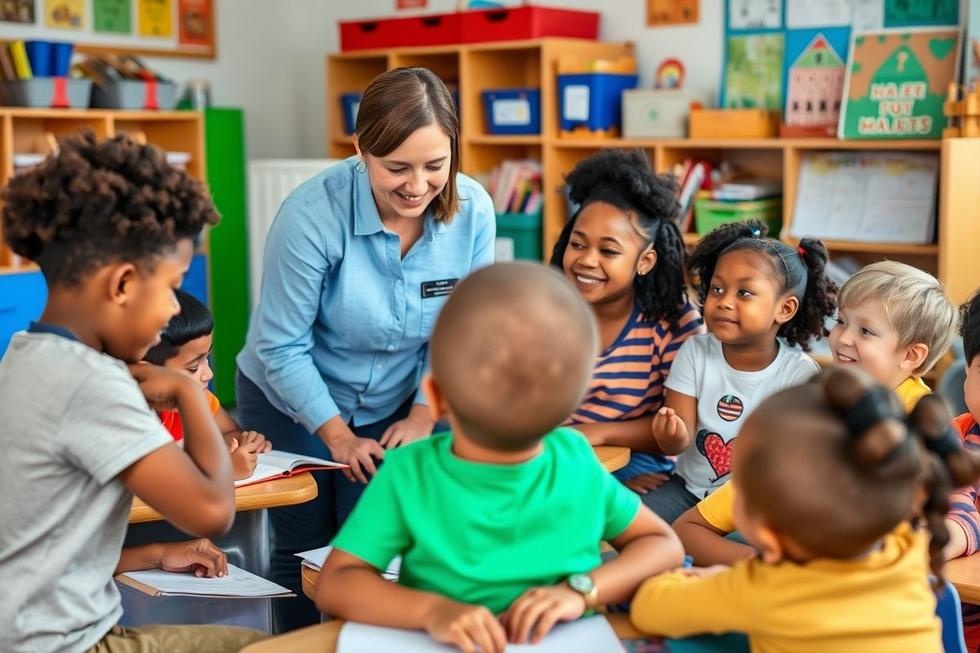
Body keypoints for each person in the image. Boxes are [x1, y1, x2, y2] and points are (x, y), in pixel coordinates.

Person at [235, 66, 495, 630]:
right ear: (360, 149)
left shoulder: (472, 209)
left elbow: (462, 332)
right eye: (395, 167)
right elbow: (281, 346)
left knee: (377, 538)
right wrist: (337, 435)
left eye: (435, 165)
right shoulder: (310, 216)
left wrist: (425, 413)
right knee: (301, 542)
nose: (417, 186)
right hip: (290, 392)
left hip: (406, 393)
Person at [316, 262, 683, 653]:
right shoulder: (576, 459)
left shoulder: (409, 472)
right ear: (568, 410)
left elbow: (336, 583)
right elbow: (664, 544)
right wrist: (582, 591)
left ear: (436, 399)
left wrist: (432, 612)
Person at [0, 133, 265, 652]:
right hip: (69, 647)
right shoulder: (93, 383)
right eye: (171, 285)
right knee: (269, 647)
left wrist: (156, 553)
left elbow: (36, 552)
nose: (172, 309)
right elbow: (213, 511)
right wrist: (188, 395)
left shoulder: (23, 356)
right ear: (122, 284)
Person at [632, 367, 980, 652]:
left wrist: (710, 580)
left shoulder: (766, 587)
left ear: (767, 532)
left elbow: (651, 607)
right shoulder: (905, 550)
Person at [642, 220, 835, 523]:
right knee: (629, 526)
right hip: (688, 492)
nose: (724, 302)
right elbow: (677, 443)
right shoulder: (695, 352)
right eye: (717, 288)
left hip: (756, 503)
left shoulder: (799, 375)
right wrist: (670, 435)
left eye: (744, 293)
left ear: (784, 309)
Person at [549, 149, 703, 494]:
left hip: (633, 458)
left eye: (608, 251)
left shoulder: (673, 322)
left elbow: (679, 426)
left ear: (645, 261)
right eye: (578, 243)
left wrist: (597, 432)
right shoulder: (548, 306)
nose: (587, 260)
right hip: (554, 450)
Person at [144, 289, 271, 480]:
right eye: (194, 367)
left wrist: (244, 444)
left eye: (207, 358)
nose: (209, 374)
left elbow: (229, 432)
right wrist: (224, 471)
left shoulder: (199, 400)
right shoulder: (123, 416)